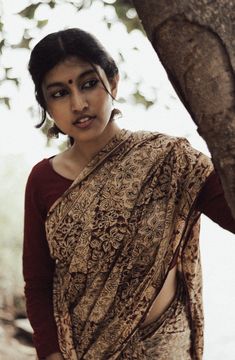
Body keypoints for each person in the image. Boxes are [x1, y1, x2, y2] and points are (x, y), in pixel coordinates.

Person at [23, 28, 235, 360]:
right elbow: (38, 283)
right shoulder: (42, 180)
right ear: (46, 105)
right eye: (60, 93)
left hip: (165, 350)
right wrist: (52, 355)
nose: (79, 103)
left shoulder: (169, 159)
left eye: (89, 83)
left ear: (114, 82)